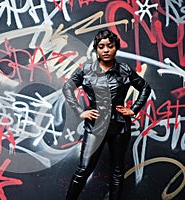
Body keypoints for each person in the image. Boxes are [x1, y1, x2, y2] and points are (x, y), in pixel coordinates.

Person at [62, 29, 151, 200]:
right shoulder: (86, 70)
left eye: (110, 46)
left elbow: (145, 87)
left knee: (117, 171)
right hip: (95, 127)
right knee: (84, 169)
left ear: (116, 48)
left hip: (119, 127)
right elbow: (67, 88)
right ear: (96, 49)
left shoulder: (124, 70)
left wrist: (135, 109)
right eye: (101, 46)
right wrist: (80, 111)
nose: (106, 50)